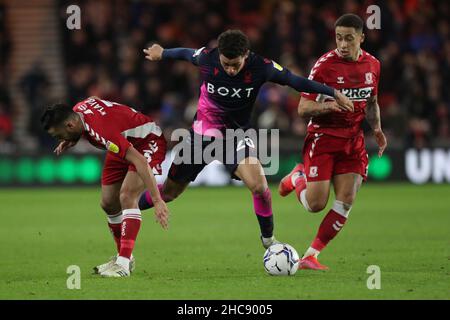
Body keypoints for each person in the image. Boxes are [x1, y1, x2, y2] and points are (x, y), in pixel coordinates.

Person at [139, 29, 353, 249]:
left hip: (237, 136)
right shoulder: (207, 57)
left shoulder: (262, 66)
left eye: (236, 65)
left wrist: (333, 93)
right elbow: (185, 53)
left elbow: (294, 81)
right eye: (226, 64)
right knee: (169, 193)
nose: (231, 70)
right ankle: (127, 210)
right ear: (219, 55)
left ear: (246, 55)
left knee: (259, 186)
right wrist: (162, 53)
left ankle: (269, 240)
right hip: (201, 135)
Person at [279, 14, 387, 270]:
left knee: (347, 199)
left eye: (349, 38)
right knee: (315, 204)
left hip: (353, 141)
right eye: (339, 38)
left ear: (362, 37)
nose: (343, 44)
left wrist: (377, 129)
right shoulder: (324, 66)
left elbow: (371, 102)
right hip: (324, 138)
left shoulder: (373, 65)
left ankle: (310, 255)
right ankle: (297, 177)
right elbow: (303, 108)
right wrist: (330, 105)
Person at [40, 97, 169, 277]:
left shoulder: (101, 131)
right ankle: (124, 258)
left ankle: (123, 265)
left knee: (126, 196)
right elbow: (94, 101)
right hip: (123, 141)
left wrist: (157, 200)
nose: (60, 139)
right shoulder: (78, 111)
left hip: (147, 141)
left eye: (59, 135)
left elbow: (139, 160)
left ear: (70, 125)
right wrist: (73, 139)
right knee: (108, 202)